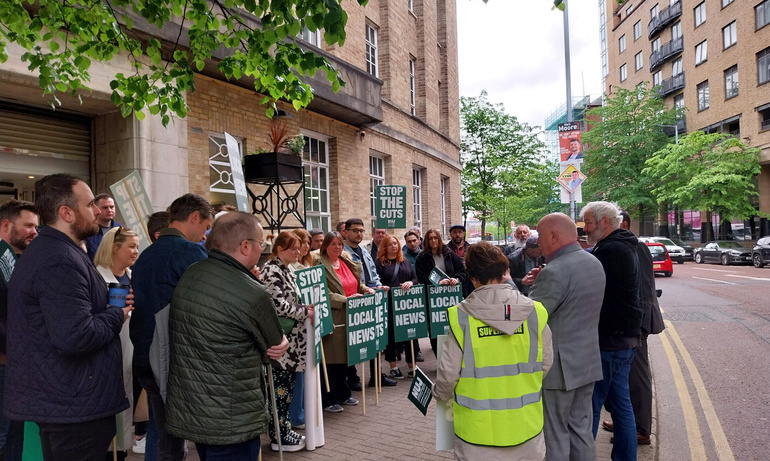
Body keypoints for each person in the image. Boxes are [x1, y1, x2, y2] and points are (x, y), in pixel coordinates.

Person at [6, 174, 131, 461]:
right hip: (72, 407)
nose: (98, 211)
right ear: (66, 213)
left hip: (70, 402)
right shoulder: (58, 258)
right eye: (90, 205)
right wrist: (115, 314)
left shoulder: (58, 252)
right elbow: (75, 336)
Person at [165, 212, 289, 460]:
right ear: (245, 246)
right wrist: (283, 341)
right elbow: (275, 342)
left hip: (196, 407)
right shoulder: (253, 293)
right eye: (261, 244)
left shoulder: (191, 273)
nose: (262, 250)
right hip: (234, 415)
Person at [433, 241, 553, 461]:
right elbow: (545, 364)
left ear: (473, 277)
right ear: (505, 271)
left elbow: (448, 375)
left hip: (477, 435)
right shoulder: (535, 313)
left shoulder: (462, 318)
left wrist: (438, 394)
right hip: (526, 430)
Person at [131, 193, 213, 461]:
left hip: (144, 355)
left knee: (161, 430)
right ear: (194, 217)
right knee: (175, 440)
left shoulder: (146, 254)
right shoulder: (190, 252)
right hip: (172, 360)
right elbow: (208, 303)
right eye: (206, 227)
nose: (204, 235)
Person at [526, 213, 606, 460]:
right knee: (580, 429)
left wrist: (513, 286)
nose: (538, 242)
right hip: (588, 362)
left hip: (560, 370)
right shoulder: (593, 262)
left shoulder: (555, 271)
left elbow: (531, 317)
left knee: (556, 434)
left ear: (553, 235)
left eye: (540, 235)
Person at [581, 201, 642, 461]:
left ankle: (583, 456)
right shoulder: (624, 245)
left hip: (609, 342)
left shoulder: (610, 250)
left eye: (589, 223)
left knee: (591, 406)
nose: (585, 229)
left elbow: (584, 286)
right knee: (621, 407)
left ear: (605, 222)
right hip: (624, 340)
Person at [601, 211, 665, 446]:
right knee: (624, 376)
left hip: (635, 324)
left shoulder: (635, 247)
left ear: (623, 225)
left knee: (637, 374)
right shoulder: (623, 246)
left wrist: (635, 325)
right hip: (632, 322)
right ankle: (625, 422)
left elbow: (643, 288)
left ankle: (641, 428)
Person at [261, 232, 314, 452]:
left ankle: (284, 427)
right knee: (279, 390)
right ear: (280, 249)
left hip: (293, 344)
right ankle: (277, 435)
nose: (298, 252)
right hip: (281, 342)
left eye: (299, 248)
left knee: (287, 389)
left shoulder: (288, 269)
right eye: (293, 248)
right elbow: (278, 305)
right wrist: (304, 312)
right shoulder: (271, 270)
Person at [93, 226, 140, 458]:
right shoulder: (97, 277)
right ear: (114, 248)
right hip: (108, 353)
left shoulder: (132, 276)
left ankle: (122, 449)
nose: (136, 251)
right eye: (131, 246)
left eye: (137, 246)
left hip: (130, 354)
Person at [315, 232, 374, 412]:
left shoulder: (346, 262)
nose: (338, 248)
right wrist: (345, 299)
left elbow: (355, 284)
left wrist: (366, 290)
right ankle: (329, 399)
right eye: (333, 244)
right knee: (331, 360)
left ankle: (344, 394)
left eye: (340, 244)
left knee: (345, 358)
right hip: (334, 316)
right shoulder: (319, 264)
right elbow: (323, 292)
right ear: (325, 246)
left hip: (351, 316)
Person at [0, 199, 38, 460]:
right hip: (5, 363)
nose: (35, 232)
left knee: (14, 438)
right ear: (5, 225)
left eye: (36, 226)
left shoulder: (15, 259)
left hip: (15, 365)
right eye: (28, 226)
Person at [343, 219, 395, 388]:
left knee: (375, 338)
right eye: (355, 230)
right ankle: (352, 377)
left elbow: (373, 274)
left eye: (361, 230)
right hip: (355, 300)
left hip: (373, 298)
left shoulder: (365, 252)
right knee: (354, 340)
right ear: (346, 232)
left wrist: (379, 286)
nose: (358, 234)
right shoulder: (343, 253)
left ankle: (376, 375)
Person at [415, 228, 468, 355]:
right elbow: (421, 277)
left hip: (451, 297)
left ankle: (455, 357)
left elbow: (462, 271)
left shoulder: (449, 253)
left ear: (439, 239)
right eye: (430, 238)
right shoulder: (422, 258)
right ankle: (439, 359)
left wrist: (456, 279)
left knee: (454, 326)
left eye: (435, 238)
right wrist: (436, 283)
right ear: (426, 241)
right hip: (433, 300)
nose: (433, 241)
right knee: (435, 329)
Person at [374, 234, 418, 379]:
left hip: (405, 304)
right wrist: (382, 287)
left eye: (395, 243)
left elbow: (414, 277)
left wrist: (411, 283)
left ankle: (412, 365)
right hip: (389, 304)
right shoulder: (380, 263)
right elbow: (376, 282)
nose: (394, 246)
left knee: (409, 334)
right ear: (385, 247)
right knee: (391, 336)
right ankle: (393, 366)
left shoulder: (404, 261)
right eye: (390, 244)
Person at [288, 228, 313, 431]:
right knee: (296, 377)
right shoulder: (289, 269)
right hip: (296, 329)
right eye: (299, 245)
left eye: (305, 243)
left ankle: (303, 410)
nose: (303, 248)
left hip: (308, 327)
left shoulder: (307, 264)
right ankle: (296, 415)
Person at [85, 193, 121, 260]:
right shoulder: (87, 231)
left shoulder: (121, 229)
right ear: (96, 209)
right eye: (105, 207)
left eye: (112, 207)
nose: (109, 210)